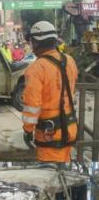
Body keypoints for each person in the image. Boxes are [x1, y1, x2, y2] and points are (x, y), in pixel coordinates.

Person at [22, 21, 78, 164]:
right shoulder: (70, 61)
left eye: (31, 41)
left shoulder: (36, 69)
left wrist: (28, 130)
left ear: (35, 42)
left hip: (50, 135)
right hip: (70, 130)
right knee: (64, 170)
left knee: (51, 178)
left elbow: (32, 105)